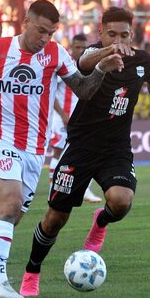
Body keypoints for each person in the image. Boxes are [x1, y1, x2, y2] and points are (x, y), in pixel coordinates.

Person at [0, 0, 128, 298]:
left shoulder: (56, 53)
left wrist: (101, 71)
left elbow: (81, 89)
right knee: (10, 204)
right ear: (26, 23)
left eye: (51, 33)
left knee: (8, 216)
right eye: (41, 31)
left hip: (34, 149)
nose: (45, 38)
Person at [19, 6, 150, 297]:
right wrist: (108, 52)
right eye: (111, 34)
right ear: (101, 33)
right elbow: (84, 63)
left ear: (132, 34)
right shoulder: (92, 54)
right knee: (54, 219)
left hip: (116, 149)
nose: (119, 40)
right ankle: (31, 271)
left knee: (121, 201)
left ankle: (100, 220)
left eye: (124, 35)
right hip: (81, 147)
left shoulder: (141, 60)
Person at [50, 33, 102, 203]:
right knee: (58, 152)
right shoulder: (65, 63)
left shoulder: (89, 65)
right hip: (62, 117)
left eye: (83, 47)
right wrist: (63, 114)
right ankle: (54, 189)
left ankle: (83, 189)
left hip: (80, 118)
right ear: (71, 47)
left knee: (83, 152)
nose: (80, 50)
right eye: (77, 47)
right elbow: (53, 93)